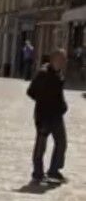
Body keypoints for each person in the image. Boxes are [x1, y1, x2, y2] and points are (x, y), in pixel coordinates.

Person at [27, 48, 68, 183]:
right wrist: (44, 102)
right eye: (62, 59)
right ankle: (37, 172)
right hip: (44, 115)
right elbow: (31, 91)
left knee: (61, 142)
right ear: (55, 59)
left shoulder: (59, 74)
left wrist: (62, 106)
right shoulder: (43, 74)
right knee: (41, 145)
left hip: (56, 115)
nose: (64, 61)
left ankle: (54, 170)